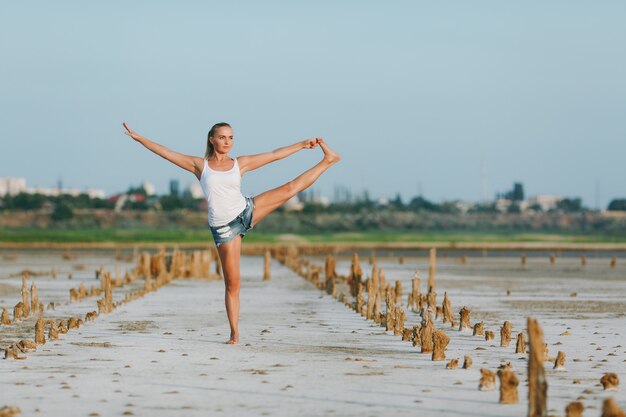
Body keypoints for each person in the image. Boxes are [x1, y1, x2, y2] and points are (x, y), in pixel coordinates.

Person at [122, 122, 340, 344]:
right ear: (212, 139)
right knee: (233, 284)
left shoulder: (240, 163)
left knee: (289, 189)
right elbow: (167, 153)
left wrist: (301, 145)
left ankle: (328, 161)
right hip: (225, 229)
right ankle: (234, 332)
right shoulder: (200, 166)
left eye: (231, 138)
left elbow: (274, 155)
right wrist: (140, 139)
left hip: (246, 210)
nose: (227, 142)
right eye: (223, 137)